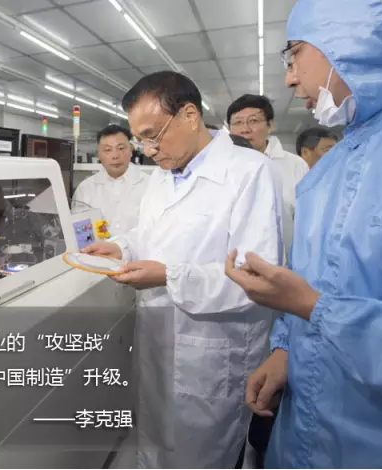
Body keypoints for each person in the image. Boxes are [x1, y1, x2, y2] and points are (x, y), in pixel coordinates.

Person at [225, 0, 382, 468]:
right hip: (303, 431)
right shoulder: (339, 161)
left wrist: (314, 309)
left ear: (352, 36)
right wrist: (285, 348)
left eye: (295, 53)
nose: (290, 78)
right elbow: (311, 274)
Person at [84, 71, 283, 469]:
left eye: (152, 135)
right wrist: (122, 246)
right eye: (140, 140)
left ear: (190, 116)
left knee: (201, 455)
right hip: (157, 343)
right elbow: (153, 233)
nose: (148, 150)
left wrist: (168, 276)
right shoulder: (162, 175)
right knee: (154, 444)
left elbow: (255, 278)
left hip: (210, 353)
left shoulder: (248, 172)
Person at [227, 94, 308, 257]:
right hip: (232, 263)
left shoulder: (295, 165)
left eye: (253, 121)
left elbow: (308, 220)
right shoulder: (222, 166)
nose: (245, 129)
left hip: (285, 261)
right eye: (237, 122)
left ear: (270, 125)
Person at [72, 125, 149, 237]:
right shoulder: (85, 189)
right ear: (99, 154)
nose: (115, 156)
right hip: (95, 249)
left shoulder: (149, 185)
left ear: (131, 150)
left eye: (121, 148)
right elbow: (79, 232)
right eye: (108, 150)